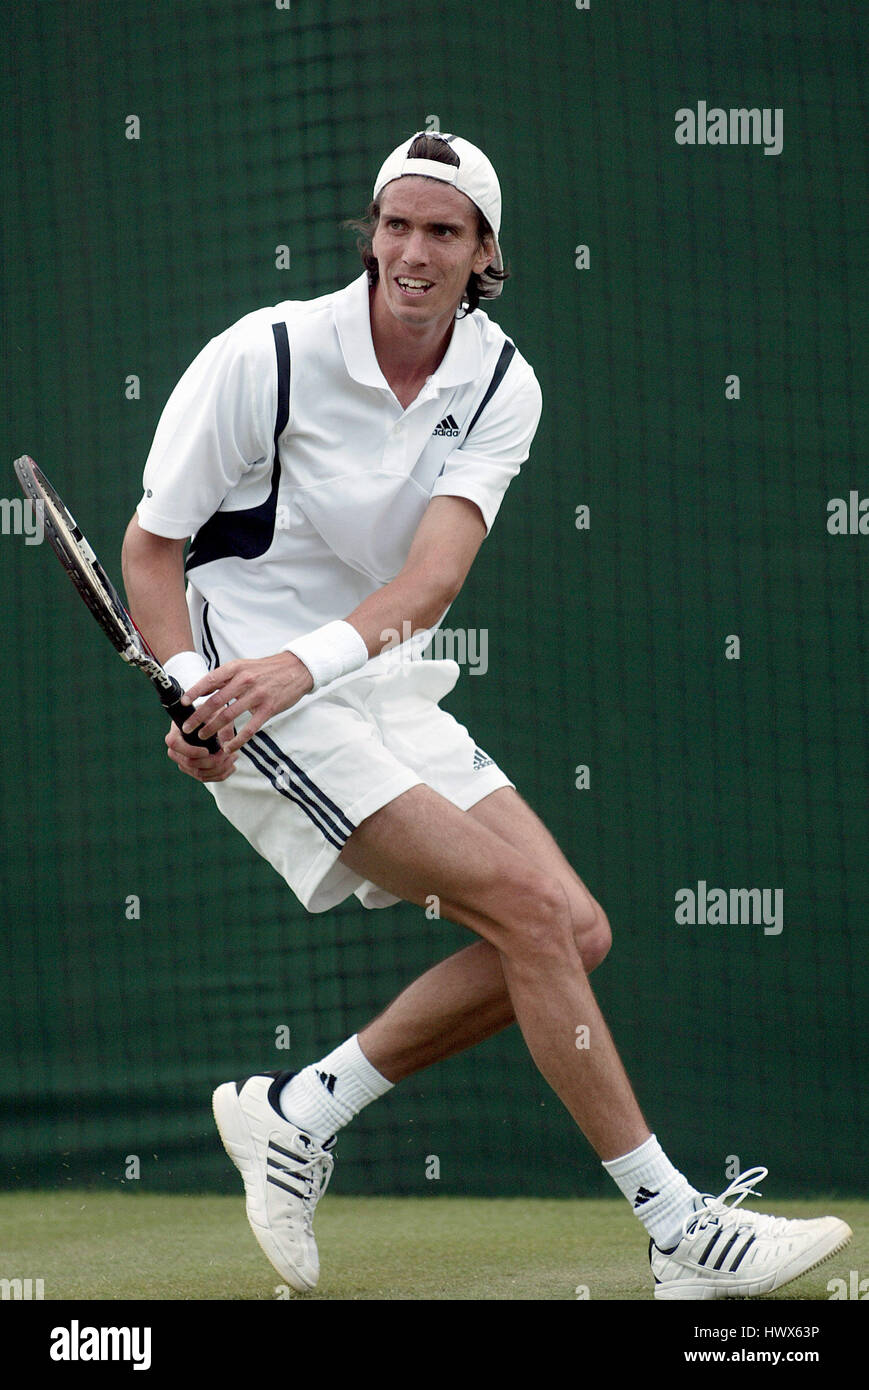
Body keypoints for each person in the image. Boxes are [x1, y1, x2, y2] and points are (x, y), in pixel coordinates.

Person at [121, 131, 851, 1300]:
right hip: (250, 680)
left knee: (573, 927)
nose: (413, 251)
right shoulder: (263, 355)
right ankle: (678, 1226)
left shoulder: (503, 381)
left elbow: (429, 586)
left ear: (484, 254)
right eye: (396, 225)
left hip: (355, 673)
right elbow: (150, 549)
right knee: (520, 906)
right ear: (369, 234)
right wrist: (185, 689)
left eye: (443, 231)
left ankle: (299, 1112)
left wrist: (306, 668)